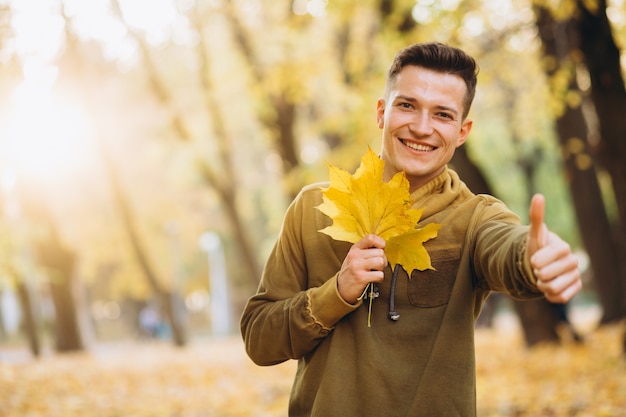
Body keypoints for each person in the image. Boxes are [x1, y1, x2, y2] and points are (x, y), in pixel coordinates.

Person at [240, 42, 582, 417]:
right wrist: (335, 293)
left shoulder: (474, 218)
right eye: (407, 105)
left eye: (442, 115)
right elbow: (260, 340)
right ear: (381, 112)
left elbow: (506, 247)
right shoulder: (313, 208)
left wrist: (532, 259)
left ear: (463, 131)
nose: (421, 127)